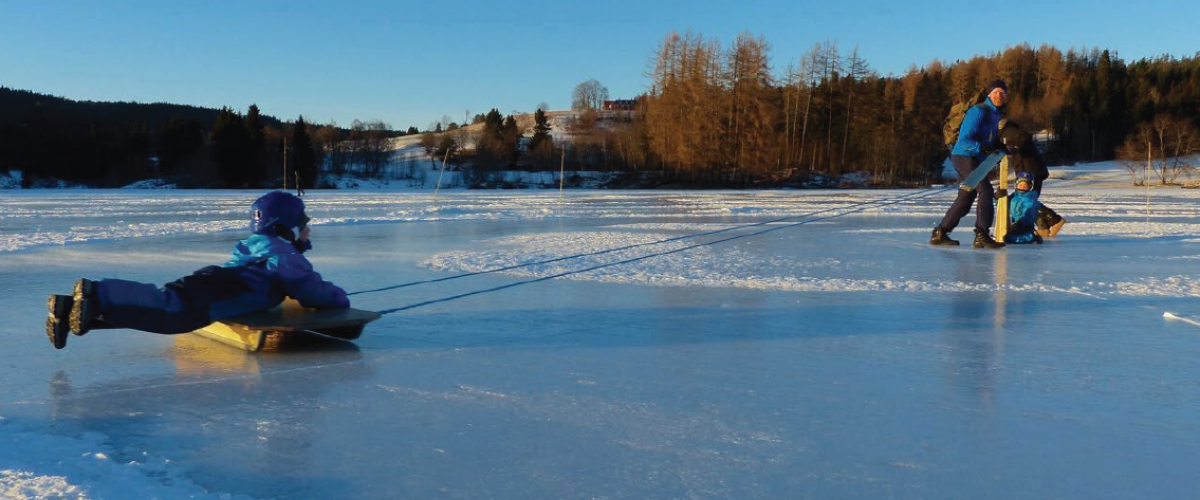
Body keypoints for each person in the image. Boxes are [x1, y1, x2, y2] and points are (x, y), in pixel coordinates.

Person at [45, 191, 349, 349]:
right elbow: (311, 290)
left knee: (163, 310)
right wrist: (339, 299)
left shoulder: (258, 249)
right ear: (285, 229)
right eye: (304, 226)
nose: (308, 231)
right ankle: (98, 292)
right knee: (170, 311)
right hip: (221, 291)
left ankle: (71, 309)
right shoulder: (285, 257)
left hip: (215, 281)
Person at [931, 79, 1008, 249]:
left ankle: (940, 232)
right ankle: (982, 234)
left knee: (967, 196)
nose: (999, 95)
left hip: (974, 158)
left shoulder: (995, 115)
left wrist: (997, 147)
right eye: (995, 92)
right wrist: (983, 147)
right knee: (986, 190)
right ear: (989, 94)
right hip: (964, 156)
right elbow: (964, 140)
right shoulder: (978, 111)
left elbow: (987, 139)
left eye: (1002, 93)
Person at [998, 120, 1065, 237]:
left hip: (1030, 173)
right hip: (1031, 171)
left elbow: (1025, 138)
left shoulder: (1009, 131)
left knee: (1027, 201)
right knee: (1028, 200)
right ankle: (1043, 227)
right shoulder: (1008, 132)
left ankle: (1055, 220)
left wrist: (1017, 148)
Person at [1002, 172, 1043, 244]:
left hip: (1025, 225)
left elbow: (1029, 213)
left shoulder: (1030, 198)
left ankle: (1033, 236)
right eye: (1020, 185)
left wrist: (1021, 222)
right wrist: (997, 196)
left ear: (1030, 186)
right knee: (1007, 236)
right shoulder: (1014, 196)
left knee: (1009, 238)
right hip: (1015, 224)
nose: (1022, 187)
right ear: (1016, 185)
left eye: (1025, 185)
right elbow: (1002, 204)